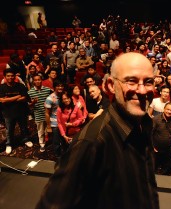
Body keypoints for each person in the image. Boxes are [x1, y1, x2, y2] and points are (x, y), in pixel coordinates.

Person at [35, 52, 159, 209]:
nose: (142, 90)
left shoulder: (145, 124)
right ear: (110, 86)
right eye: (131, 81)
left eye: (148, 82)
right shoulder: (91, 143)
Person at [0, 68, 33, 154]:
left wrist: (8, 99)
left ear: (15, 76)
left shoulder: (20, 86)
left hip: (21, 111)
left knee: (23, 128)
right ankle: (9, 144)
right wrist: (17, 97)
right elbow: (2, 100)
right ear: (5, 77)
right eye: (8, 76)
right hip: (7, 113)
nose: (10, 77)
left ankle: (25, 140)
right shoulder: (1, 87)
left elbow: (24, 98)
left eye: (12, 76)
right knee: (9, 130)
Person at [152, 102, 171, 175]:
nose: (169, 112)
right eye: (168, 109)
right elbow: (150, 134)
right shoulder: (156, 119)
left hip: (168, 150)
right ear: (164, 109)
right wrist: (152, 146)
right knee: (153, 169)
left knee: (166, 170)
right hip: (156, 150)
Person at [27, 73, 52, 152]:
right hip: (38, 114)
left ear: (41, 80)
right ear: (33, 81)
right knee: (40, 130)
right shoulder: (30, 92)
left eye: (39, 80)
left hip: (48, 114)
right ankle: (42, 143)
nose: (37, 81)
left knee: (48, 128)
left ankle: (49, 140)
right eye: (36, 80)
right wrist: (33, 103)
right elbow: (29, 106)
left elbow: (53, 98)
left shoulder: (47, 90)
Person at [45, 79, 65, 158]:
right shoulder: (50, 98)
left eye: (61, 86)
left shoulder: (64, 96)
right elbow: (47, 113)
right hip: (55, 123)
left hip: (63, 121)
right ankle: (57, 156)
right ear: (54, 87)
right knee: (56, 141)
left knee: (63, 139)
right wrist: (49, 126)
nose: (60, 87)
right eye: (58, 86)